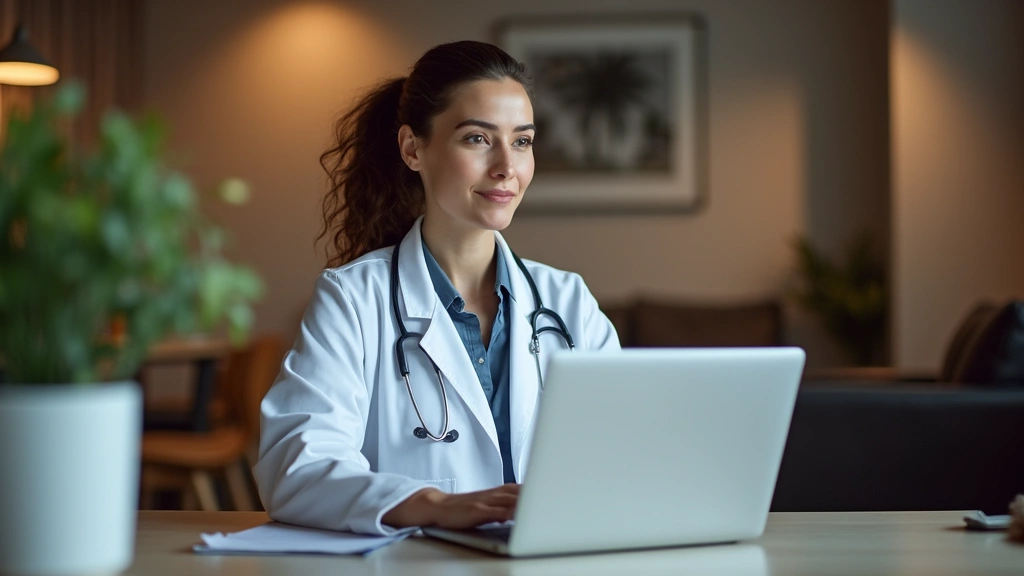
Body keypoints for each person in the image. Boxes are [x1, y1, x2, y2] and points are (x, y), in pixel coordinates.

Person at [254, 40, 620, 535]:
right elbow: (295, 468)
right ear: (413, 148)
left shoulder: (568, 302)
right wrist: (432, 504)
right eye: (477, 139)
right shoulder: (353, 300)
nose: (506, 168)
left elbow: (624, 456)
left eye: (522, 141)